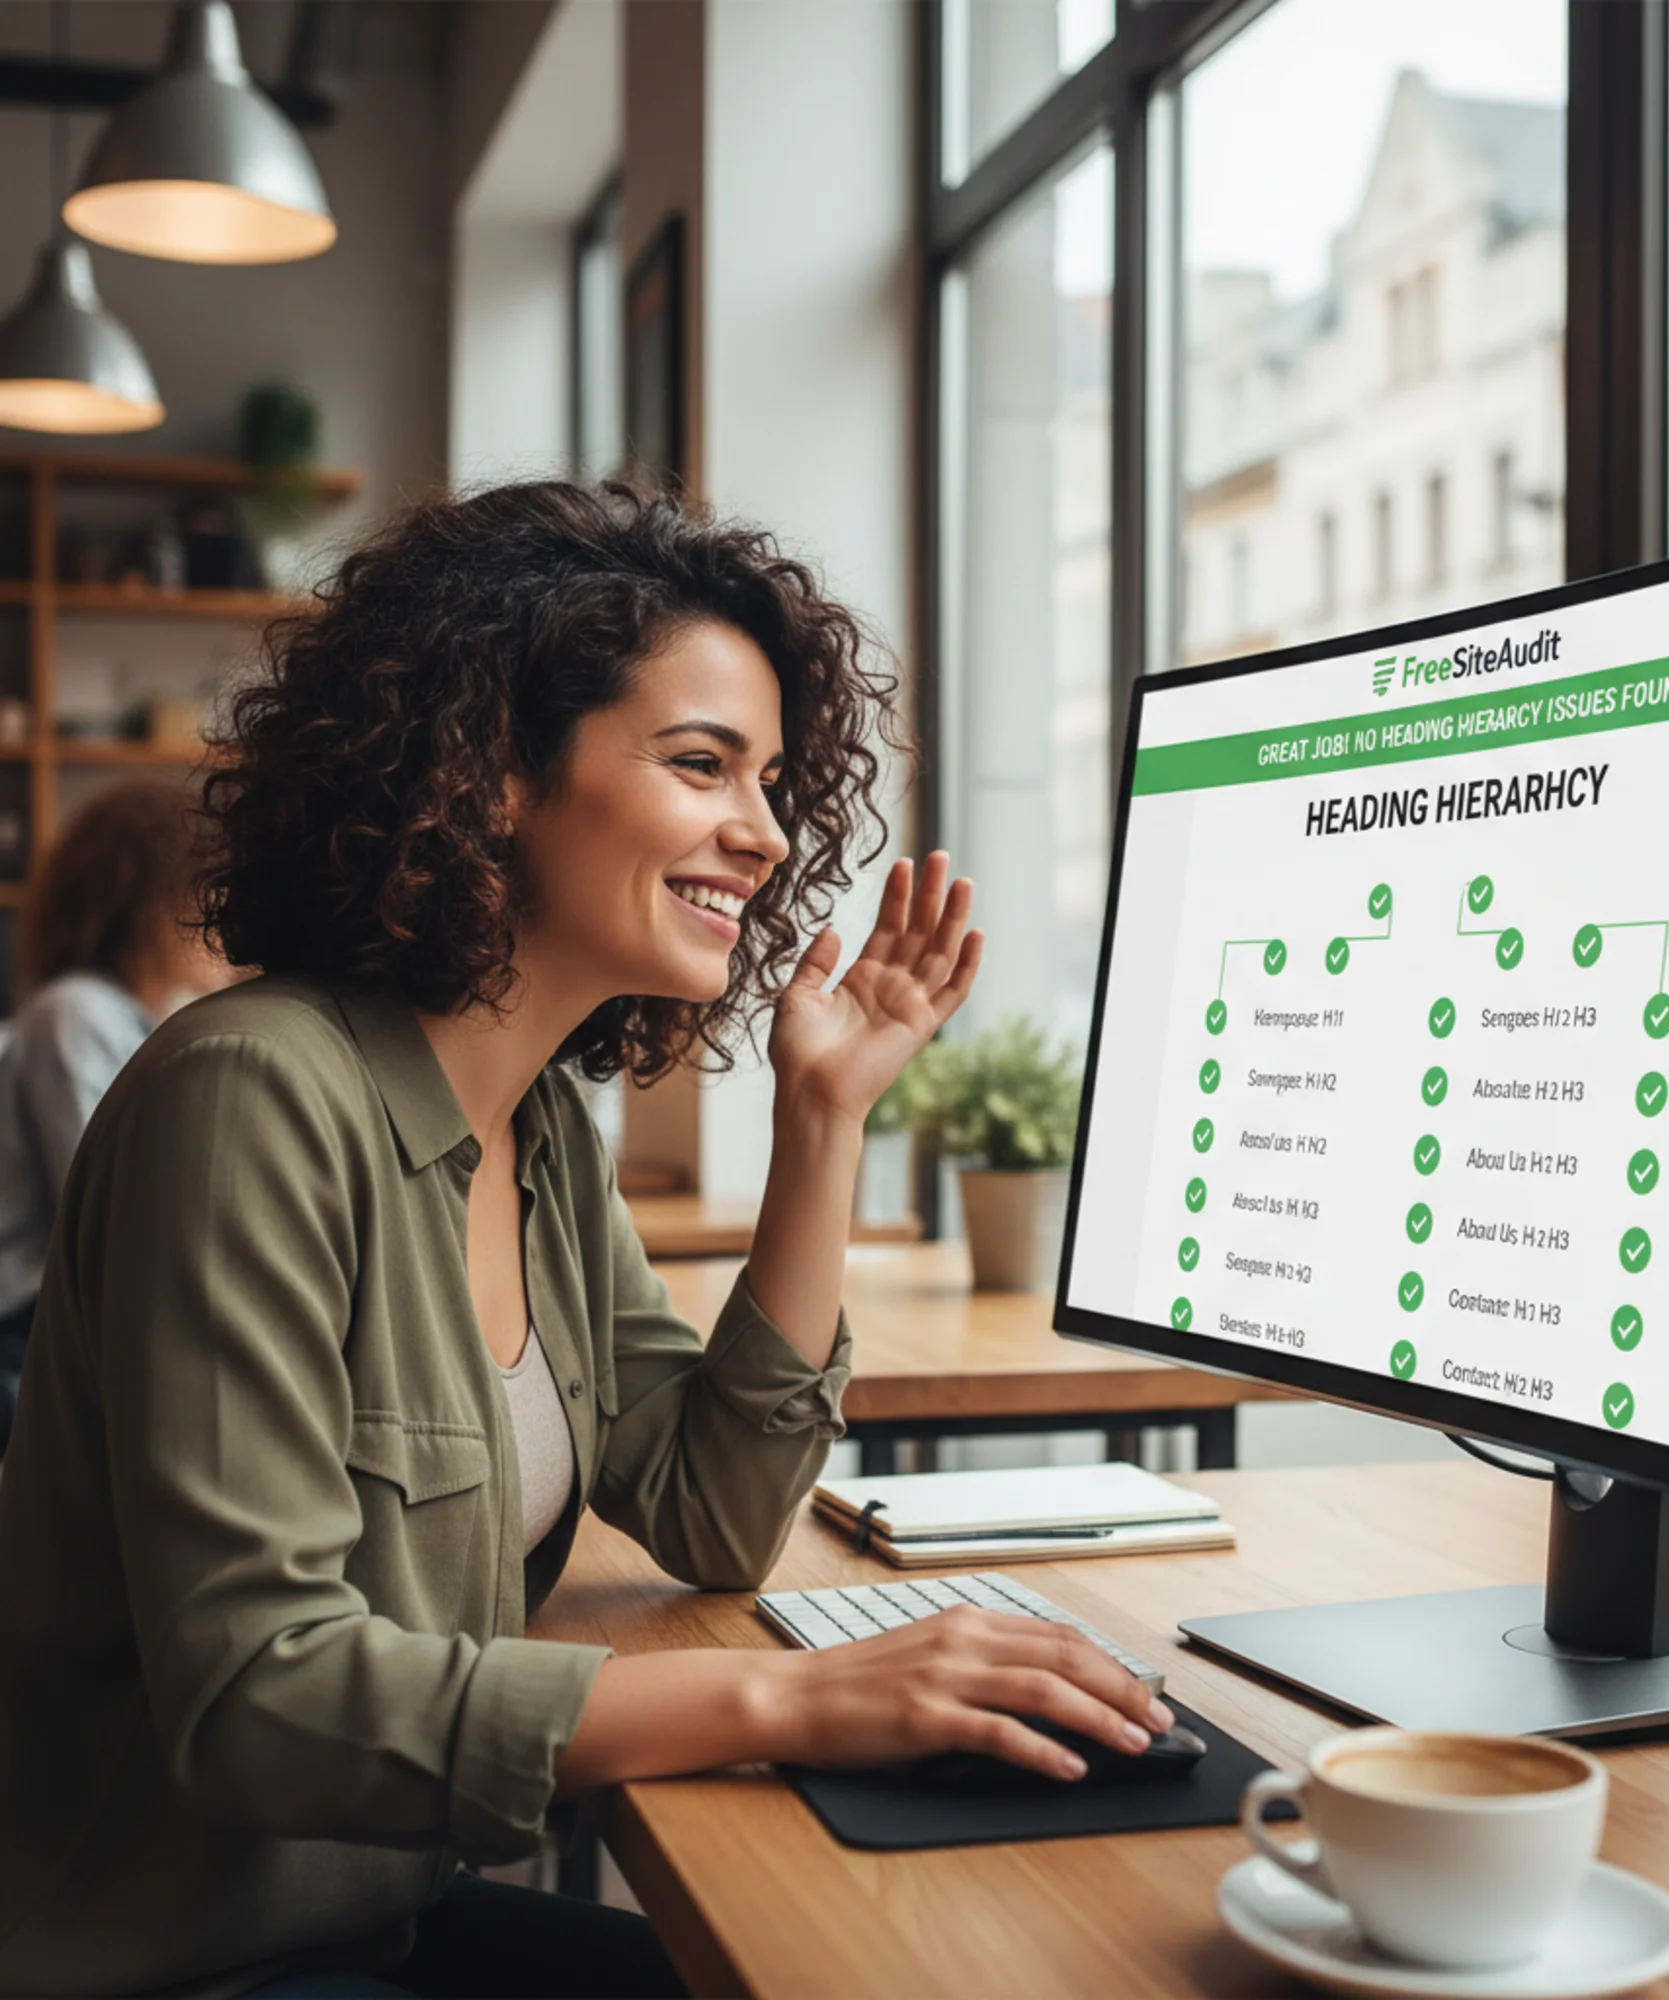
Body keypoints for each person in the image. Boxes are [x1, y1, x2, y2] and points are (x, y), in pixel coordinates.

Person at [0, 485, 1169, 2000]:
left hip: (370, 1917)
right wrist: (800, 1701)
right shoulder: (253, 1094)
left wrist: (820, 1122)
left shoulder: (539, 1125)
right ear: (491, 772)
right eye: (700, 766)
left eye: (768, 783)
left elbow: (713, 1506)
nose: (760, 833)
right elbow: (259, 1695)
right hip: (169, 1958)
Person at [0, 779, 231, 1457]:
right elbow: (114, 1204)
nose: (222, 930)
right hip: (27, 1328)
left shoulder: (139, 1020)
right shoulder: (77, 1010)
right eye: (203, 899)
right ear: (150, 909)